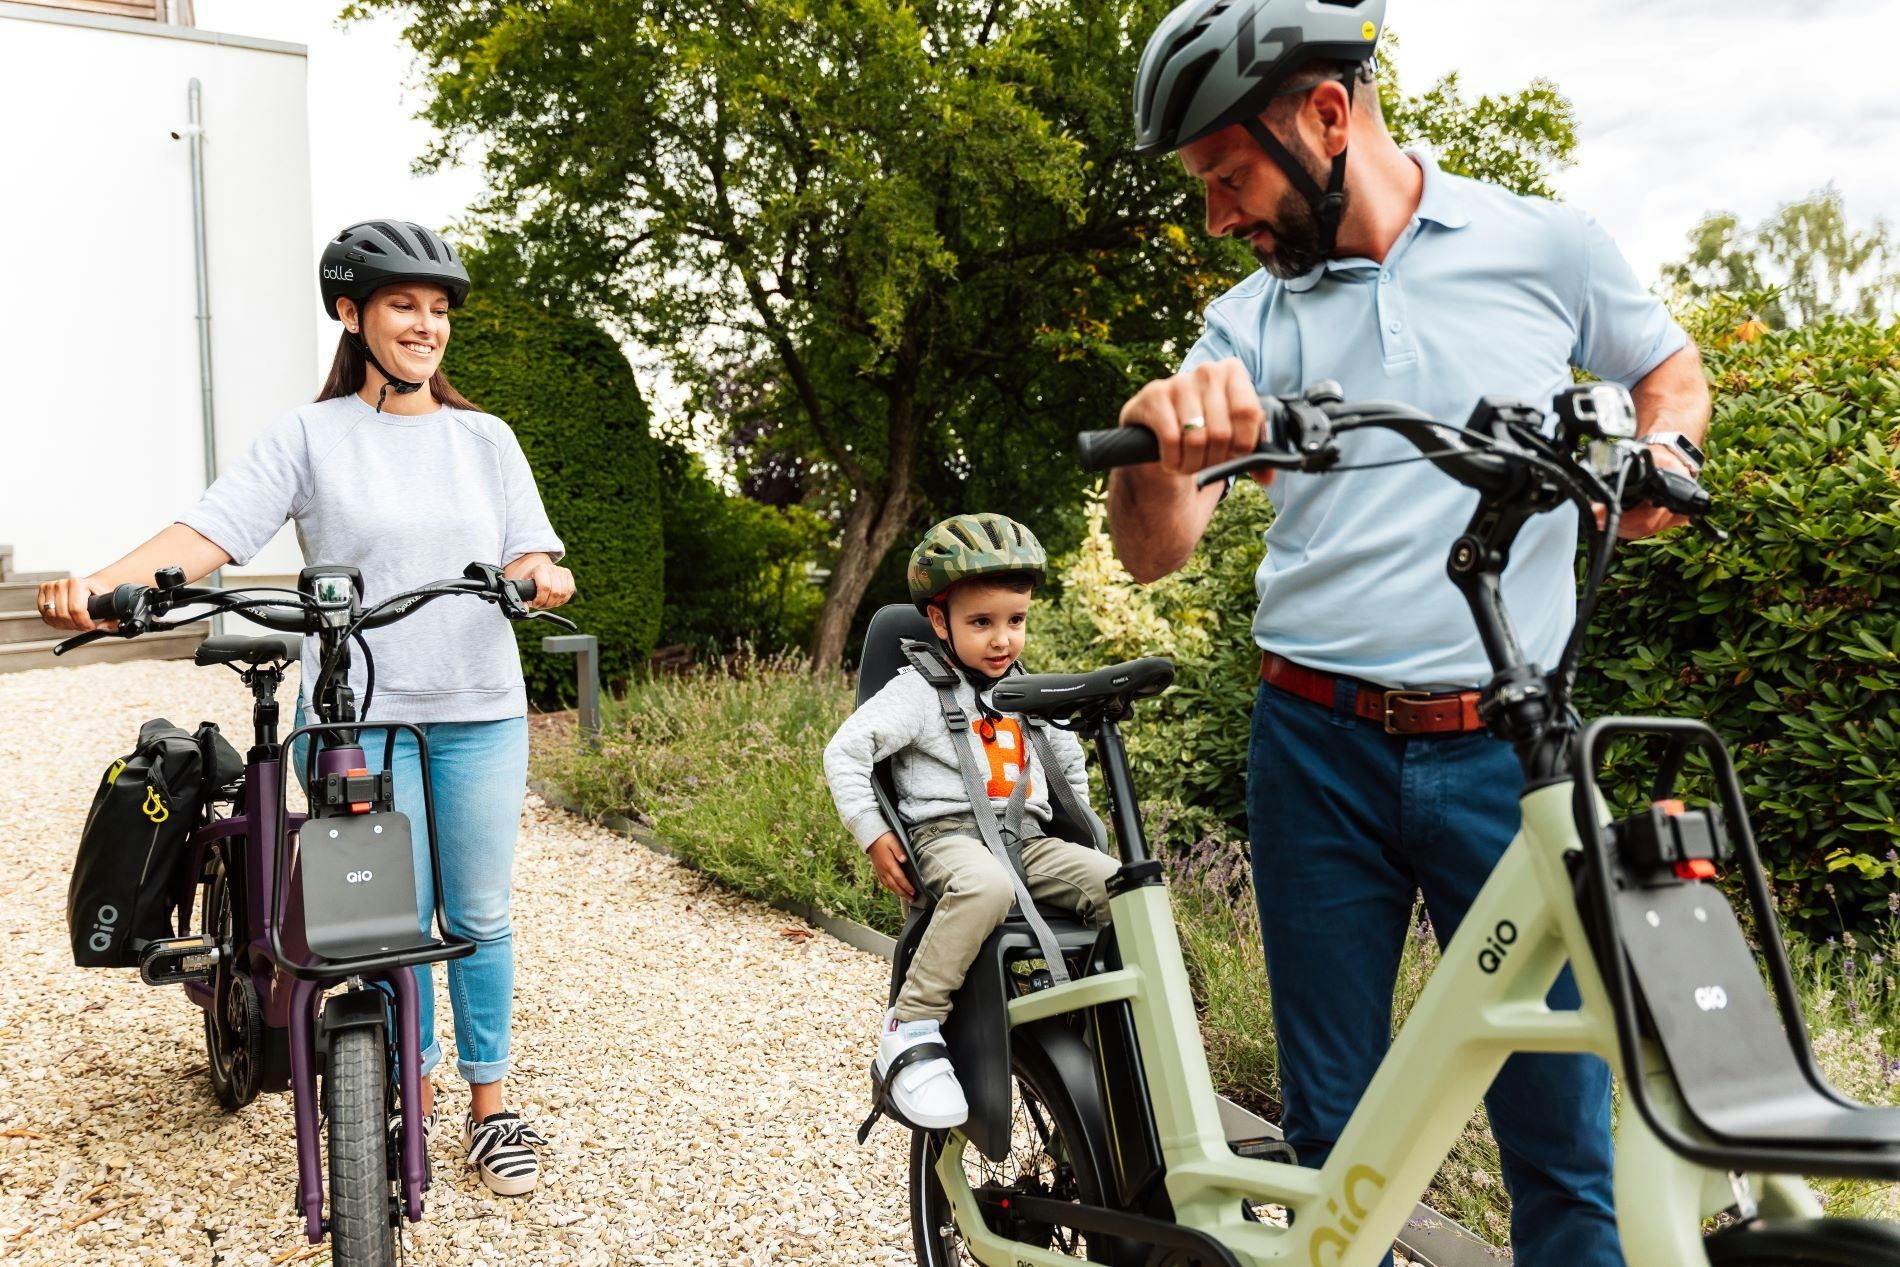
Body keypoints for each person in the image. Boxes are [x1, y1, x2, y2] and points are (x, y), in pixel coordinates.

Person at [1115, 2, 1712, 1262]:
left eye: (1228, 178)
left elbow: (1670, 370)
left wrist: (1663, 451)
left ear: (1325, 118)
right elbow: (1152, 547)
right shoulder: (1249, 326)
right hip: (1313, 746)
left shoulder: (1544, 245)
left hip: (1507, 754)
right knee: (1342, 1138)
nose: (1218, 215)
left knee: (1565, 1141)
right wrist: (1161, 440)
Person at [38, 219, 575, 1197]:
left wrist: (540, 579)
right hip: (361, 713)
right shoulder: (307, 436)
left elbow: (530, 552)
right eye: (404, 306)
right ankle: (398, 1085)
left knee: (480, 912)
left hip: (481, 709)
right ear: (351, 312)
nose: (425, 326)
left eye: (438, 310)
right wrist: (102, 584)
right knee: (386, 917)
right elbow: (210, 531)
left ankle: (490, 1105)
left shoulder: (483, 438)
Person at [823, 513, 1118, 1129]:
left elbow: (1069, 770)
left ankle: (1098, 1018)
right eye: (981, 623)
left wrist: (1085, 839)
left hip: (1027, 842)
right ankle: (912, 1029)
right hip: (947, 838)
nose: (1002, 640)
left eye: (1015, 621)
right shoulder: (919, 691)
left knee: (1124, 888)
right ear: (939, 621)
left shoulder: (1027, 693)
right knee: (987, 885)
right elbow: (845, 752)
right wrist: (873, 833)